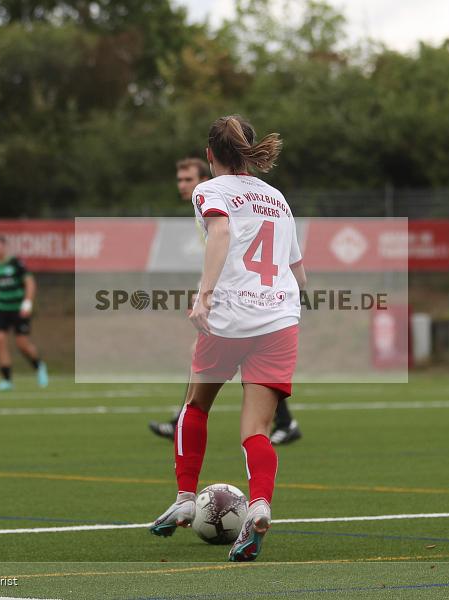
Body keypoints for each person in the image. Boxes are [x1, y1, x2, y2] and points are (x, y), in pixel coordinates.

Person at [149, 115, 306, 562]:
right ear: (249, 150)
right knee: (256, 428)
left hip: (231, 316)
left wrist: (204, 296)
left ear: (209, 155)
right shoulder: (277, 197)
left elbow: (219, 231)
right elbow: (299, 271)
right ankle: (258, 505)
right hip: (280, 318)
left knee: (194, 407)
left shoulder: (209, 190)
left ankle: (183, 497)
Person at [147, 157, 303, 446]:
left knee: (219, 360)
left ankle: (184, 422)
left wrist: (206, 297)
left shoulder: (215, 198)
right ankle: (283, 421)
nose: (183, 186)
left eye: (188, 180)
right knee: (248, 362)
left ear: (205, 178)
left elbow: (227, 244)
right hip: (250, 296)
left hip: (246, 297)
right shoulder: (219, 201)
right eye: (179, 180)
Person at [0, 234, 48, 391]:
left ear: (5, 247)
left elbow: (30, 283)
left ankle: (39, 366)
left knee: (22, 344)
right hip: (1, 308)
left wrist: (27, 303)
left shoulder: (17, 263)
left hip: (18, 309)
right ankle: (6, 380)